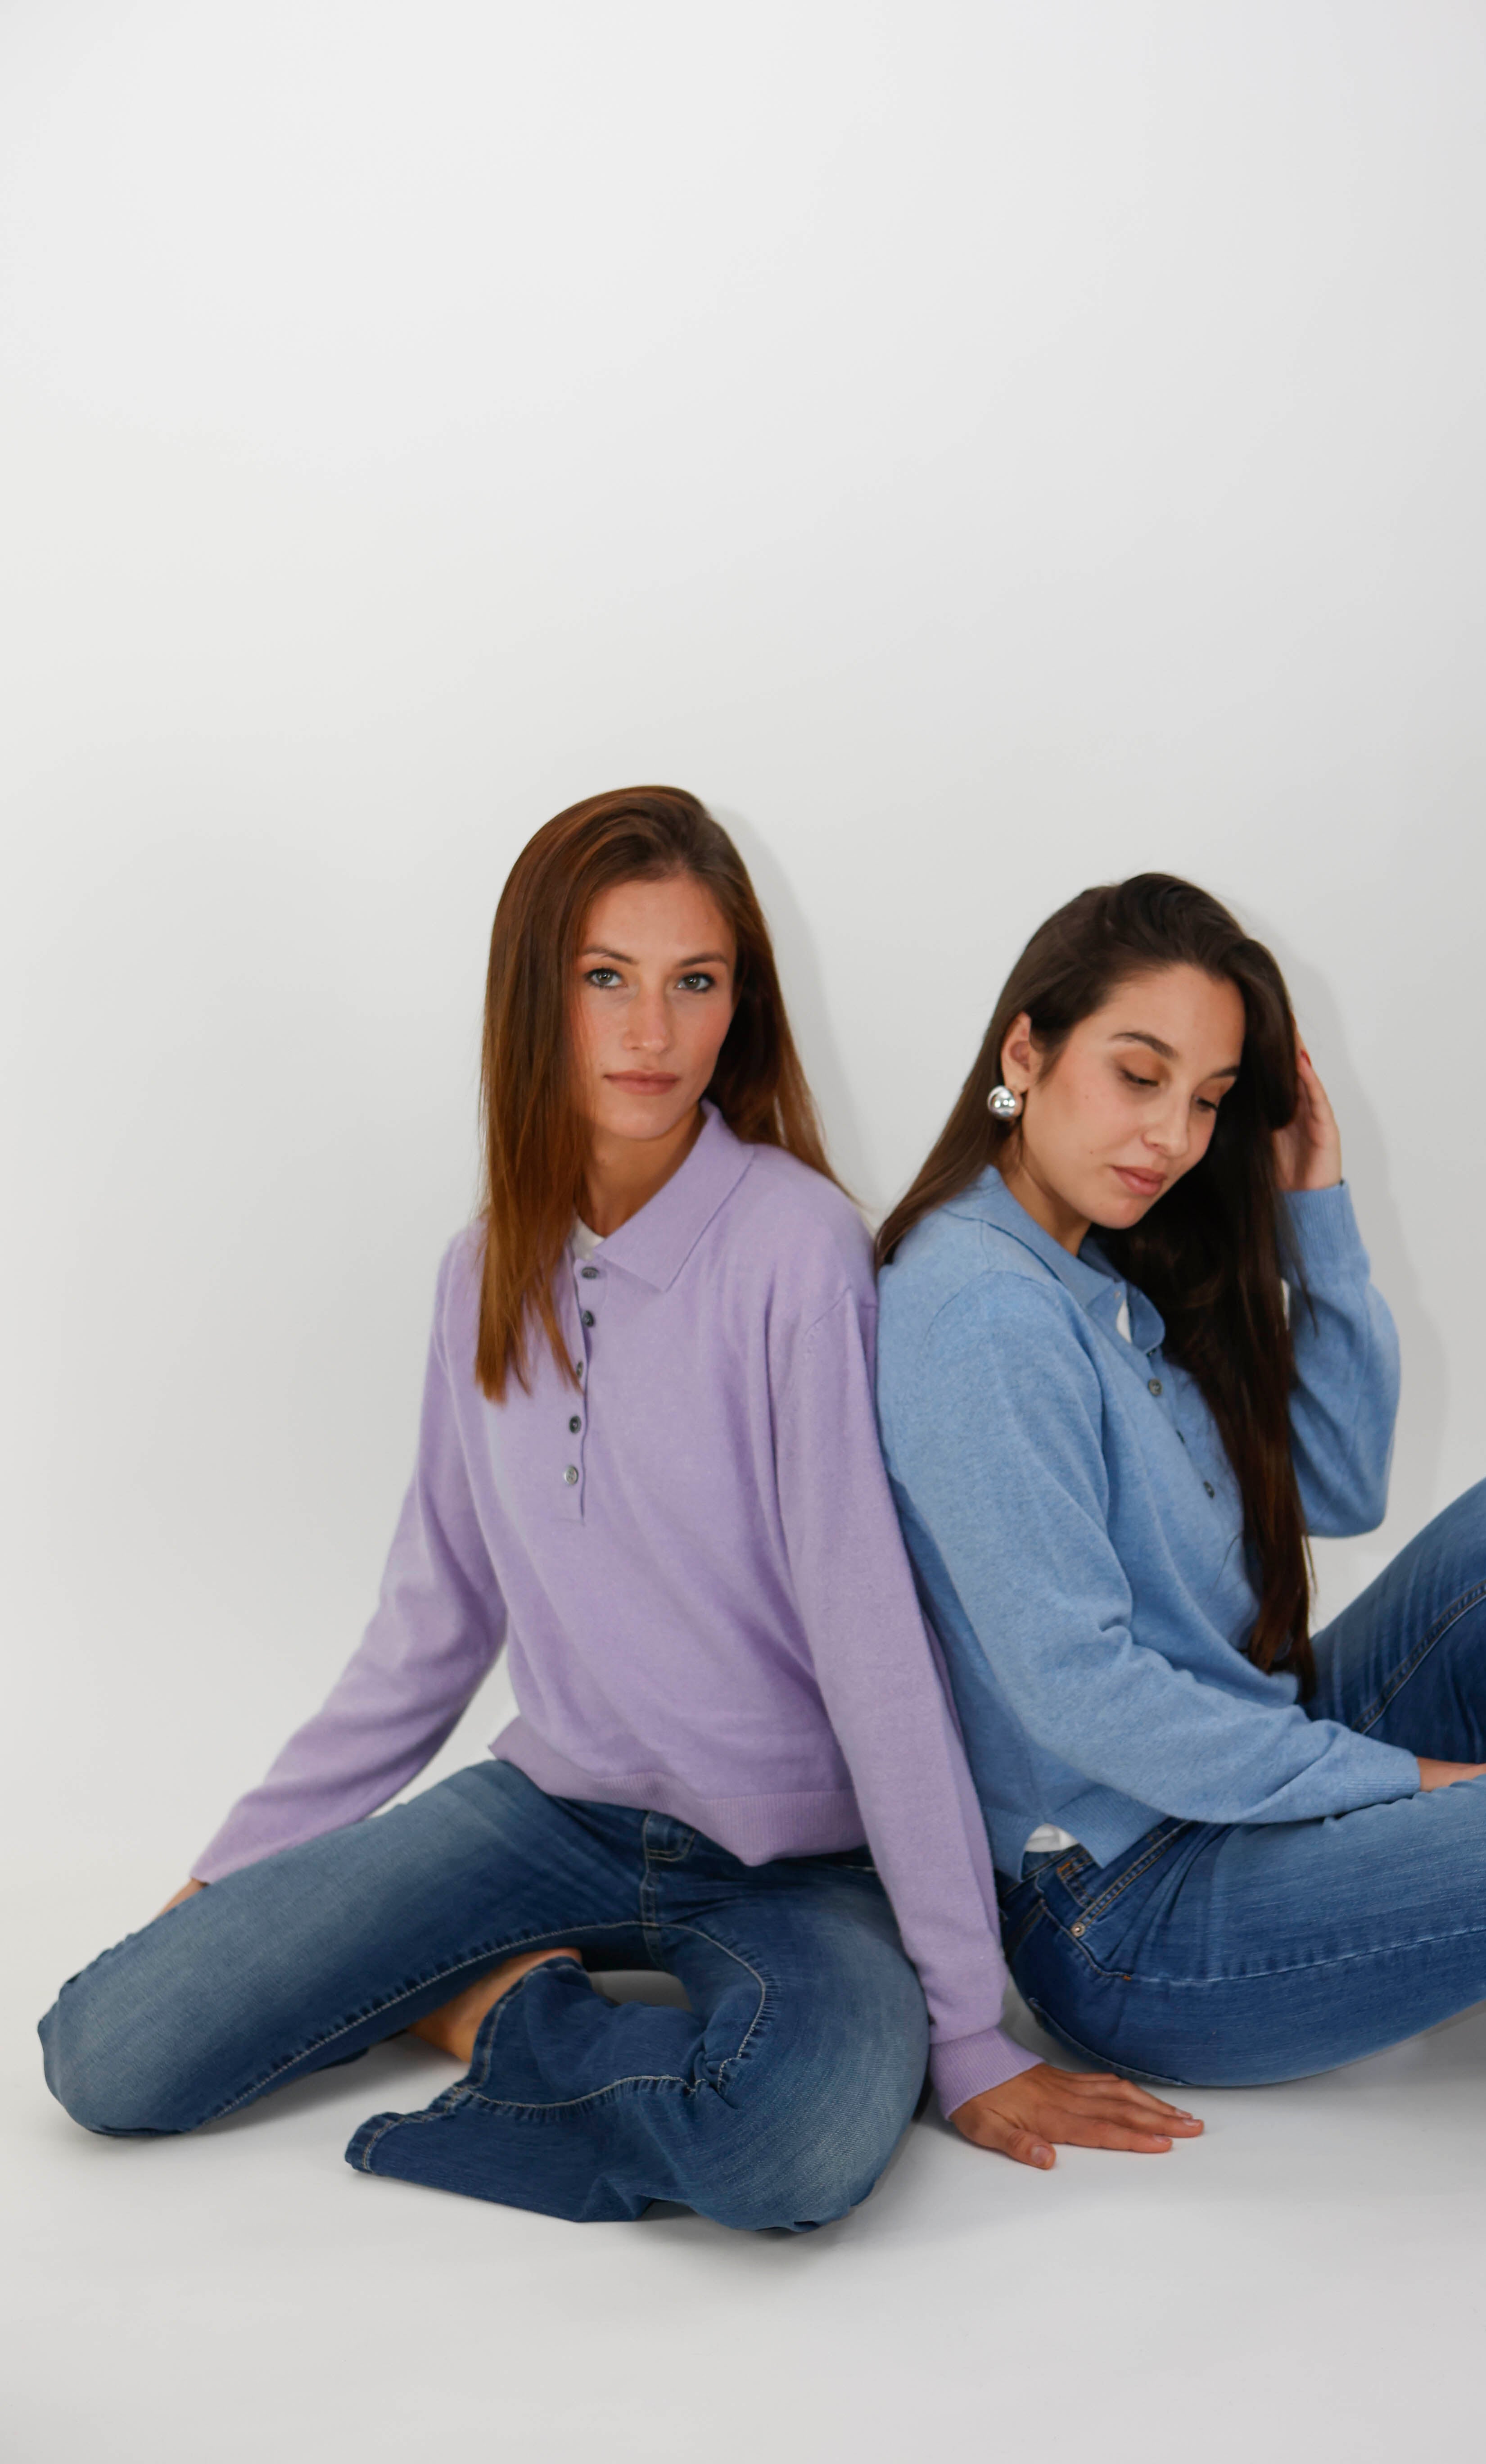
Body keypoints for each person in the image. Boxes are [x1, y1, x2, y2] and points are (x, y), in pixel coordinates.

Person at [40, 790, 1198, 2230]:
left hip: (798, 1867)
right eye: (607, 979)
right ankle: (479, 1985)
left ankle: (497, 2012)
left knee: (795, 2149)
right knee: (108, 2053)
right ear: (538, 997)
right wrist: (233, 1880)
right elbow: (430, 1629)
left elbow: (876, 1650)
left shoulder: (798, 1249)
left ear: (738, 1007)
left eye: (694, 982)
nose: (652, 1033)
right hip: (551, 1815)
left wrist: (965, 2033)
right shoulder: (481, 1273)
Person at [874, 871, 1486, 2094]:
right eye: (1140, 1076)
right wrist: (1414, 1785)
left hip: (1241, 1777)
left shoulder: (1099, 1275)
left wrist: (1313, 1213)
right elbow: (1084, 1693)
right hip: (1131, 1909)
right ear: (1027, 1050)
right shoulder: (984, 1311)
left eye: (1209, 1100)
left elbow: (1337, 1486)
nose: (1174, 1139)